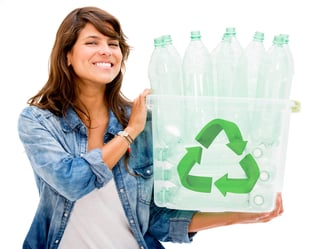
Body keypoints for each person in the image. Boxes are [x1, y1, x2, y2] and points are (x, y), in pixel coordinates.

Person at [18, 6, 283, 249]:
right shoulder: (39, 121)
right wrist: (129, 132)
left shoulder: (142, 120)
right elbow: (72, 181)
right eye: (92, 43)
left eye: (113, 43)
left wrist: (242, 215)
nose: (106, 51)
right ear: (67, 56)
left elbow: (157, 220)